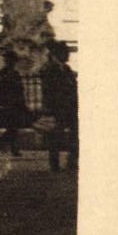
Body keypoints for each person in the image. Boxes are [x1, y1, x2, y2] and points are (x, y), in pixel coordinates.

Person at [39, 41, 79, 173]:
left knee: (75, 134)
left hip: (69, 107)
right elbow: (49, 90)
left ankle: (71, 160)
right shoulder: (49, 69)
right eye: (65, 52)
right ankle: (54, 164)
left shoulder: (66, 69)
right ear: (57, 54)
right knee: (56, 137)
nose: (68, 55)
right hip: (57, 108)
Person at [0, 50, 28, 156]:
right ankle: (4, 143)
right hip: (8, 103)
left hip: (14, 103)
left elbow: (20, 89)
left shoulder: (11, 73)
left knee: (13, 127)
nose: (12, 62)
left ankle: (12, 147)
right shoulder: (2, 74)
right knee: (13, 127)